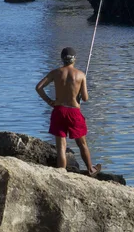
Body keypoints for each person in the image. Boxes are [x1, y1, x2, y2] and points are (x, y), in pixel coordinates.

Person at [35, 46, 101, 177]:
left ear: (62, 59)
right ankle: (90, 169)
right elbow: (86, 98)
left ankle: (61, 173)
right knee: (82, 143)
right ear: (74, 59)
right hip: (74, 112)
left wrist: (49, 101)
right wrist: (80, 95)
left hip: (59, 111)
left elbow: (38, 87)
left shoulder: (55, 72)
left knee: (61, 147)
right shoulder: (81, 75)